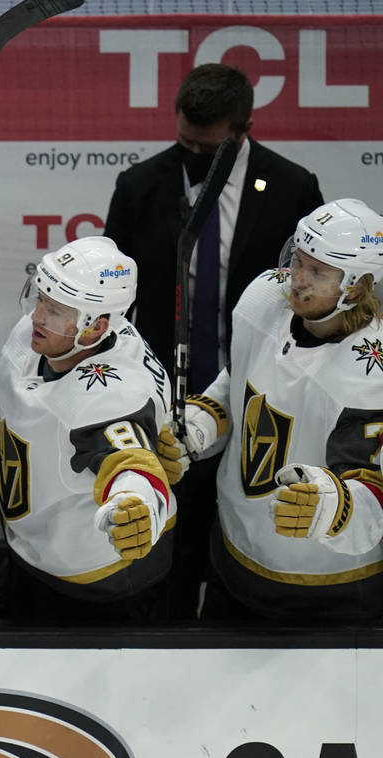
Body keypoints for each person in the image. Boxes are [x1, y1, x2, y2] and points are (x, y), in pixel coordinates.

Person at [103, 63, 324, 618]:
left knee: (235, 557)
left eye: (209, 149)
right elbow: (114, 302)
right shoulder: (139, 185)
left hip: (255, 409)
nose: (192, 156)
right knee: (164, 566)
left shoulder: (293, 188)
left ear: (243, 129)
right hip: (161, 409)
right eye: (185, 143)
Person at [163, 200, 383, 622]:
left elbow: (373, 488)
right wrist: (201, 423)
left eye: (318, 272)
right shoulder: (263, 299)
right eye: (297, 261)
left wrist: (337, 509)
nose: (297, 280)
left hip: (335, 589)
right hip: (234, 559)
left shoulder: (371, 370)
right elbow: (239, 383)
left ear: (356, 286)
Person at [0, 236, 176, 623]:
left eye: (55, 309)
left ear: (96, 326)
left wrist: (135, 501)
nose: (37, 316)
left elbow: (129, 459)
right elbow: (27, 403)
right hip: (29, 558)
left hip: (101, 582)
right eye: (40, 299)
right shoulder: (42, 337)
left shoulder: (112, 390)